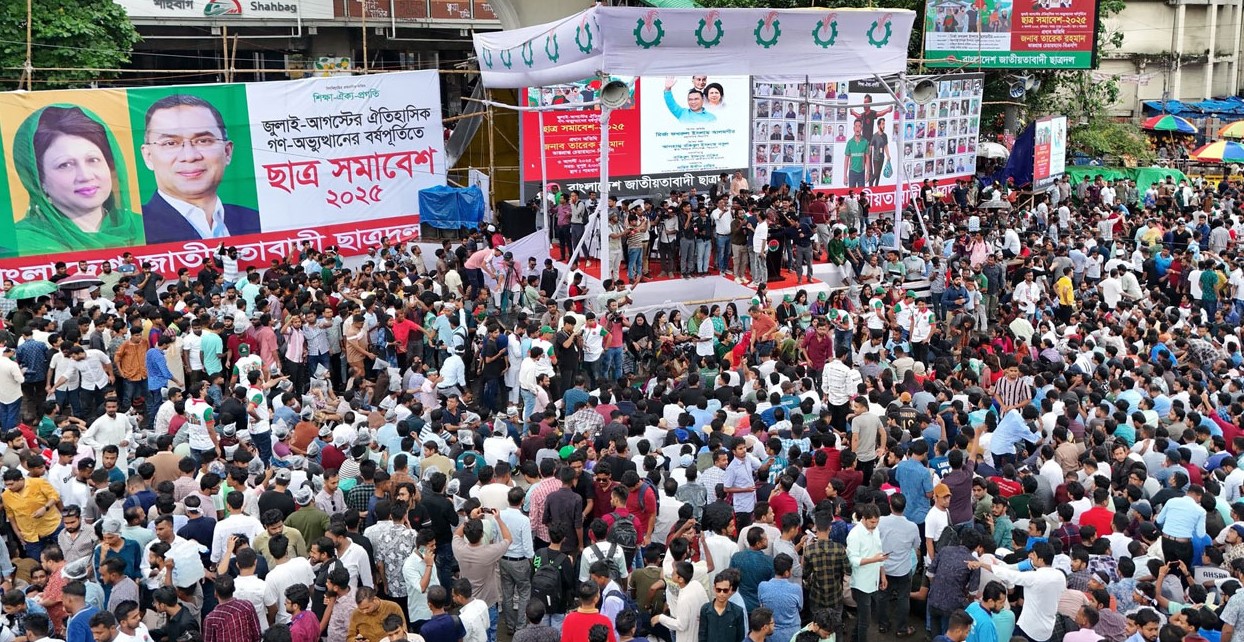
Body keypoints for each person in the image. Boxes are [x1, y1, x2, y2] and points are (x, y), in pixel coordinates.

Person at [11, 105, 144, 255]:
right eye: (65, 165)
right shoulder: (21, 243)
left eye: (93, 160)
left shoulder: (144, 227)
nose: (85, 176)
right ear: (38, 180)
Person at [139, 94, 261, 244]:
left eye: (203, 141)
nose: (189, 156)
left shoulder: (256, 221)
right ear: (148, 156)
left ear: (227, 152)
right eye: (170, 143)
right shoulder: (136, 230)